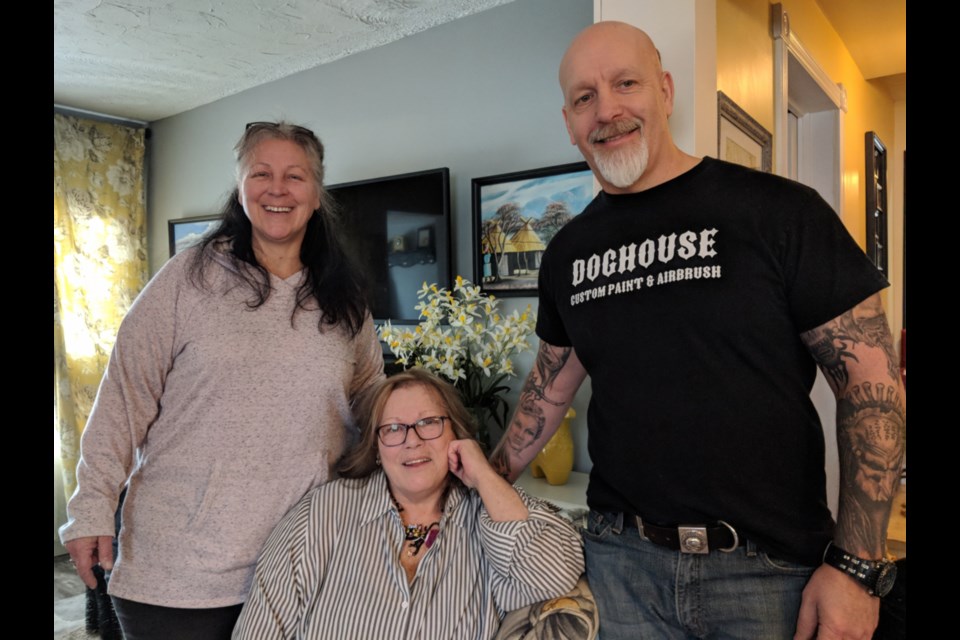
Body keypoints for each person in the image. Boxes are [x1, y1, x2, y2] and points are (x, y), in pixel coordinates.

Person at [489, 21, 906, 640]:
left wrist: (857, 566)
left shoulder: (779, 211)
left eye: (625, 83)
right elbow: (545, 394)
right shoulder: (567, 253)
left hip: (770, 573)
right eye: (584, 97)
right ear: (569, 120)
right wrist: (477, 485)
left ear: (664, 89)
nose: (606, 110)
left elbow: (872, 389)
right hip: (620, 567)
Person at [59, 121, 385, 639]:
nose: (277, 188)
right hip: (179, 576)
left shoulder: (345, 300)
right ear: (240, 187)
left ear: (317, 194)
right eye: (261, 173)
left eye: (295, 176)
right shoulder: (186, 279)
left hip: (303, 567)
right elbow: (123, 399)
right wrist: (91, 508)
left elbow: (372, 406)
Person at [232, 369, 585, 639]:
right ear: (376, 445)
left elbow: (551, 576)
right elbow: (261, 628)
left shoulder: (488, 514)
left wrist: (485, 477)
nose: (412, 441)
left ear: (457, 434)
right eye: (394, 428)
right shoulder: (323, 513)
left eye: (429, 423)